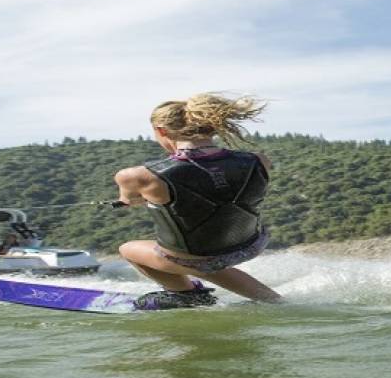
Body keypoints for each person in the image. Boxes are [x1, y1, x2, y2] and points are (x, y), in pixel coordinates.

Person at [114, 93, 282, 309]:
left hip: (193, 257)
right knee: (209, 261)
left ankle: (185, 294)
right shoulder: (258, 160)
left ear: (162, 131)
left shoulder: (136, 176)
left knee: (128, 248)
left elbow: (129, 200)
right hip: (249, 245)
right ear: (212, 127)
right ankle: (275, 301)